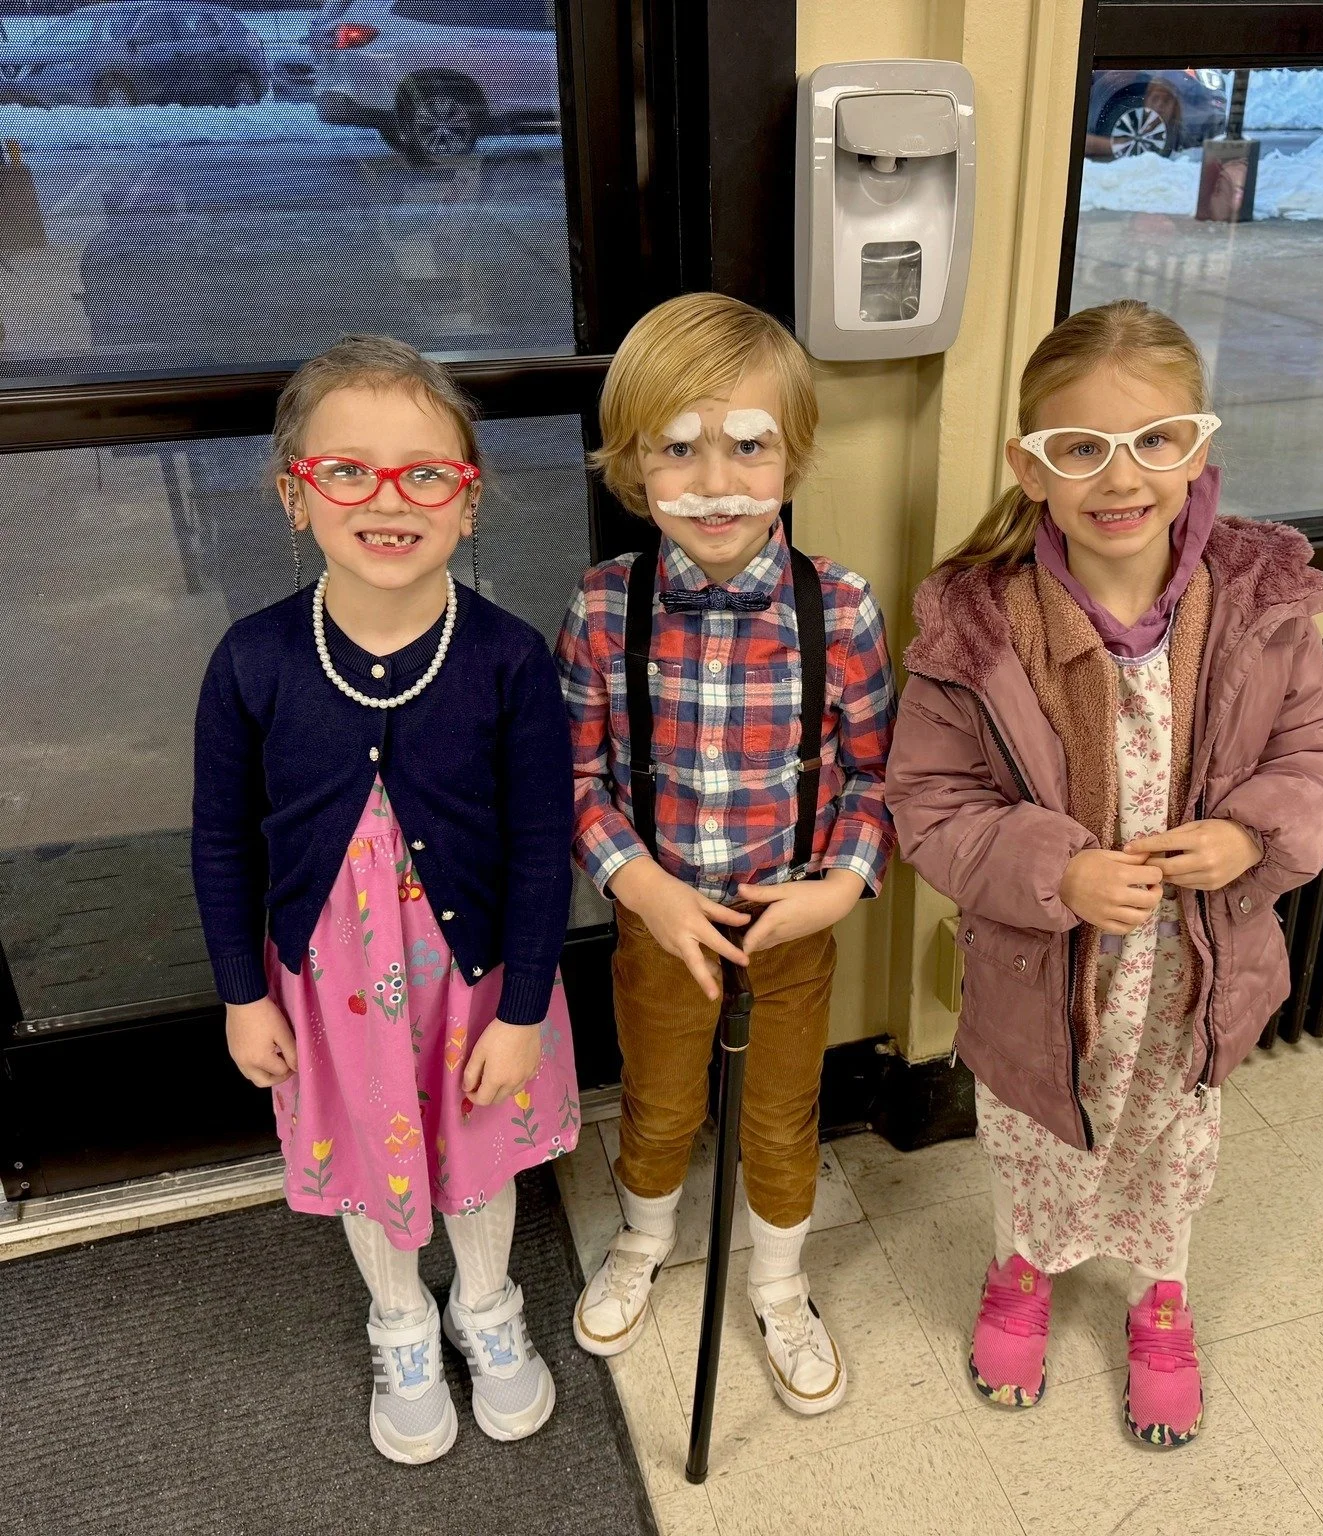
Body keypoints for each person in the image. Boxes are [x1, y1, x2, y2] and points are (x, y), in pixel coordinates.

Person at [886, 300, 1323, 1447]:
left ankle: (1162, 1300)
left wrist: (1250, 835)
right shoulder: (978, 627)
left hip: (1196, 972)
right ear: (1030, 466)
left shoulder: (1260, 603)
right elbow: (930, 805)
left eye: (1156, 440)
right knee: (1034, 1136)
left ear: (1199, 446)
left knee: (1172, 1141)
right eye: (1080, 448)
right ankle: (1023, 1270)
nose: (1122, 476)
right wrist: (1062, 873)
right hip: (1040, 976)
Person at [192, 335, 577, 1465]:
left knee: (476, 1150)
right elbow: (221, 841)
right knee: (370, 1154)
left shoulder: (507, 660)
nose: (387, 499)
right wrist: (237, 993)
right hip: (328, 987)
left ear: (469, 502)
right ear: (294, 496)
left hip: (478, 982)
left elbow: (545, 843)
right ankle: (402, 1321)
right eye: (347, 471)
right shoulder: (252, 660)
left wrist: (522, 1012)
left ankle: (486, 1304)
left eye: (425, 473)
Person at [556, 292, 896, 1416]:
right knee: (657, 1101)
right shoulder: (607, 610)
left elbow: (876, 779)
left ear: (791, 458)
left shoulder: (839, 608)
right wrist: (640, 884)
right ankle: (644, 1238)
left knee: (780, 1111)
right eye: (678, 447)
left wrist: (841, 883)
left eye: (748, 447)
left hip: (788, 924)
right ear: (633, 465)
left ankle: (783, 1283)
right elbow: (578, 780)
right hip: (662, 925)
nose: (715, 478)